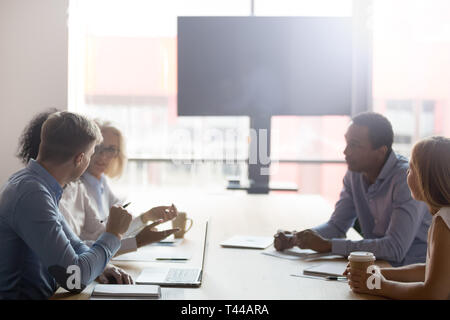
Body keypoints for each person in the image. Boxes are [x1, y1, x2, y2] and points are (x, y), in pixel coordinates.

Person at [0, 111, 133, 299]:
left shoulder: (37, 185)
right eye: (91, 155)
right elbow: (75, 279)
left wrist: (102, 266)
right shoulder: (32, 195)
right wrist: (113, 234)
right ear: (80, 159)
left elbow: (76, 246)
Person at [274, 112, 431, 267]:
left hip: (411, 275)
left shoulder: (406, 179)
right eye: (347, 142)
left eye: (354, 145)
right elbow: (337, 226)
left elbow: (395, 249)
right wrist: (296, 238)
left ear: (381, 152)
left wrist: (329, 245)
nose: (346, 151)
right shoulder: (354, 174)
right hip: (375, 267)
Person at [16, 111, 179, 257]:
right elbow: (76, 256)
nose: (100, 156)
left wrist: (144, 220)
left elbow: (93, 240)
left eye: (110, 150)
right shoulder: (40, 195)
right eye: (95, 149)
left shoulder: (75, 188)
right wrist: (136, 241)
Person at [346, 136, 450, 299]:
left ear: (426, 178)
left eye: (411, 169)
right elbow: (428, 270)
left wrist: (378, 286)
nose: (406, 174)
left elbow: (433, 294)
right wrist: (378, 272)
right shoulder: (442, 215)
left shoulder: (443, 221)